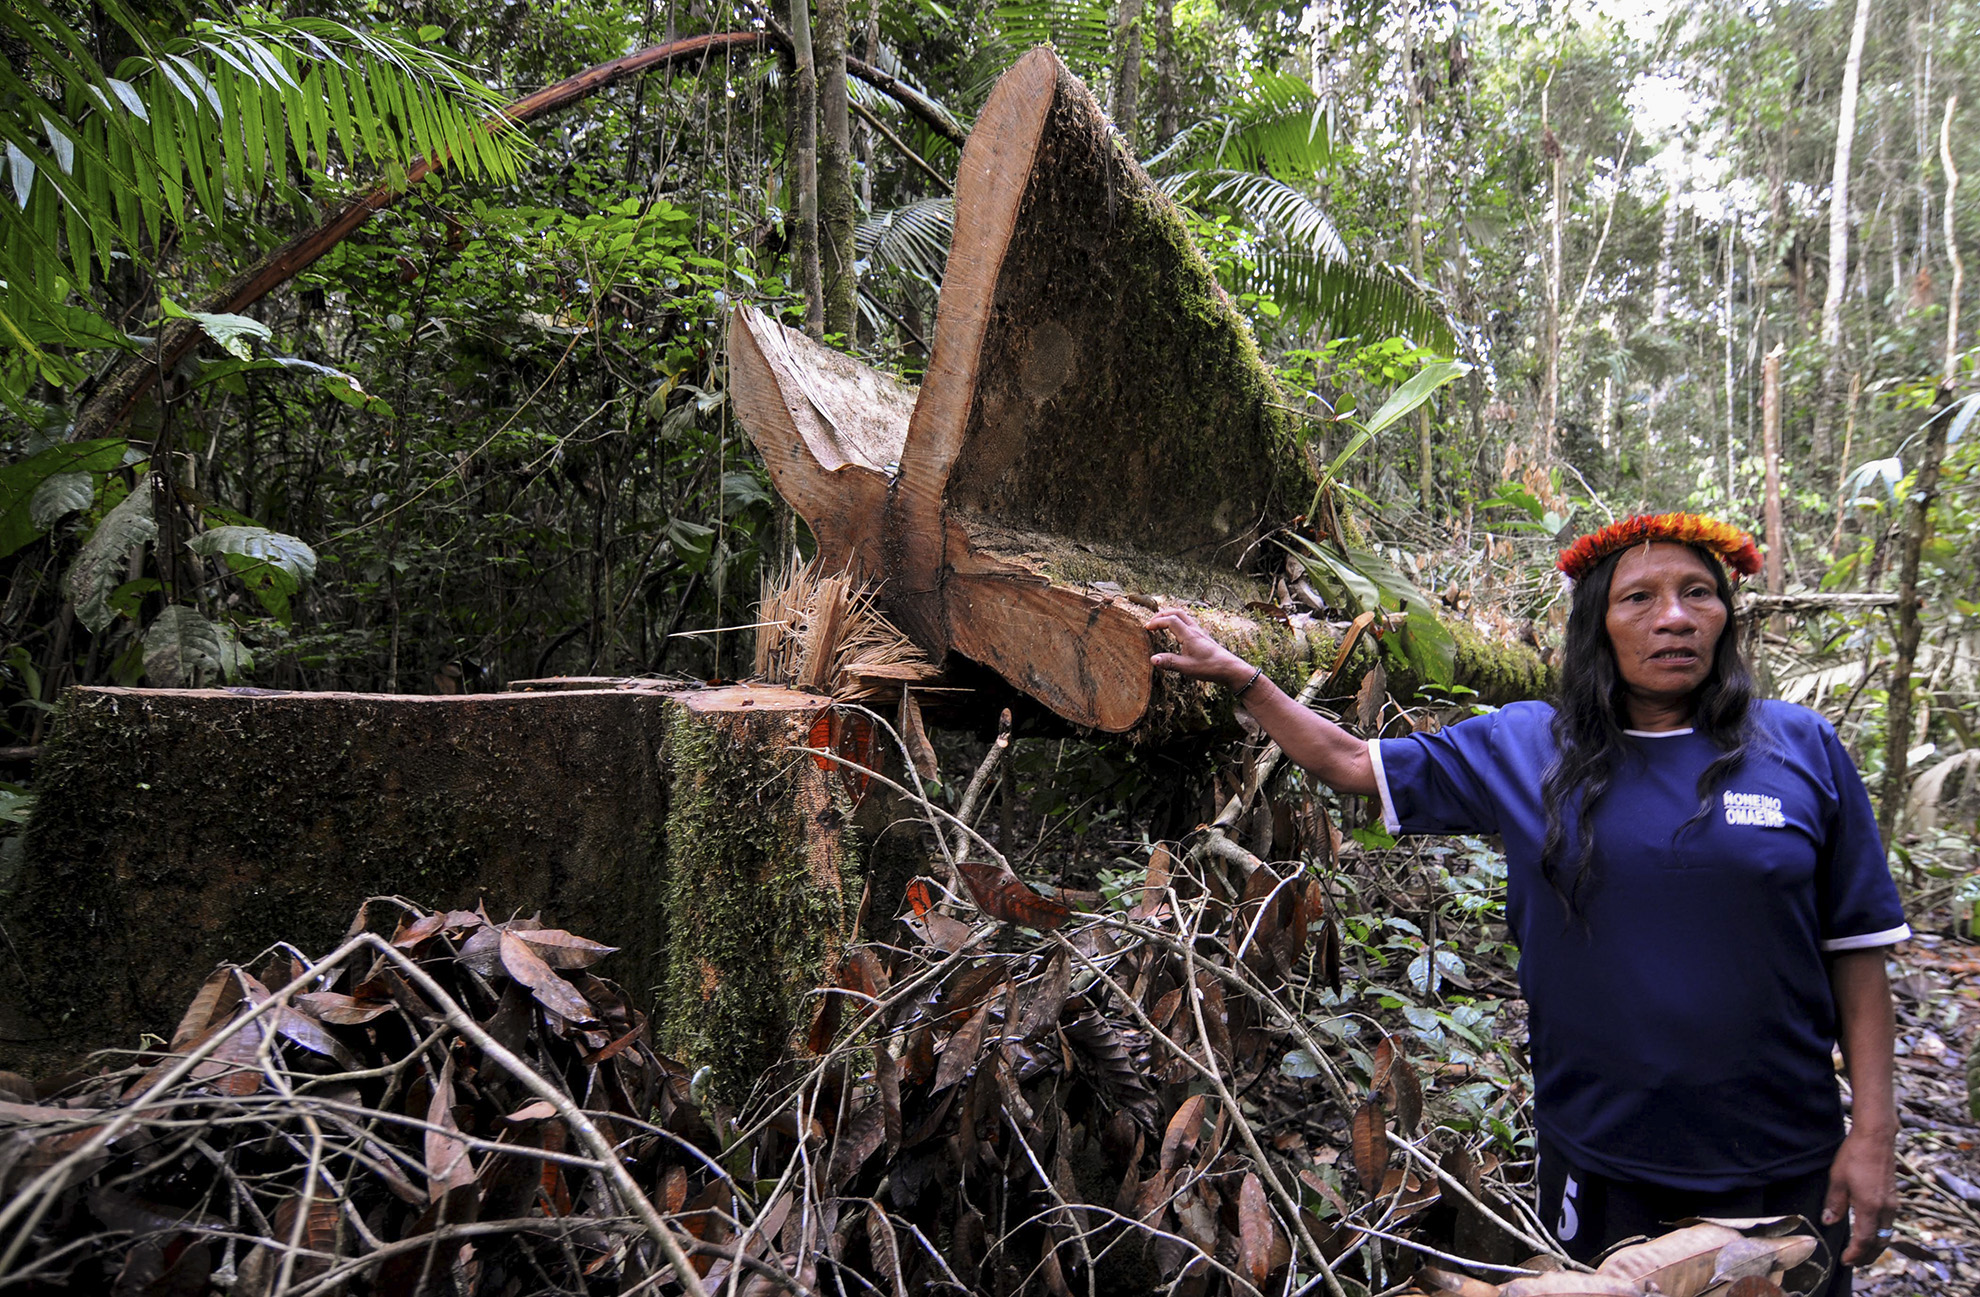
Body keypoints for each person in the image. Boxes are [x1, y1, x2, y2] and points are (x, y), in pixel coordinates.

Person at [1147, 513, 1904, 1294]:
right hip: (1601, 1158)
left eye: (1698, 593)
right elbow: (1347, 760)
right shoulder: (1528, 746)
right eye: (1638, 597)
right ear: (1597, 625)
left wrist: (1874, 1129)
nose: (1674, 616)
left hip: (1781, 1160)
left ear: (1725, 613)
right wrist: (1241, 674)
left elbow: (1858, 950)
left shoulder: (1800, 746)